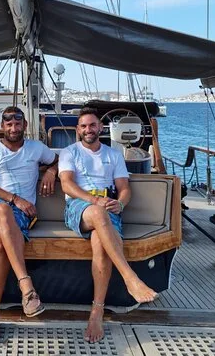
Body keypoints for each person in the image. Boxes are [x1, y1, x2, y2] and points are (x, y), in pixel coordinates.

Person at [58, 107, 157, 343]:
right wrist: (94, 200)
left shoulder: (113, 155)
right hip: (79, 207)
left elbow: (124, 188)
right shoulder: (69, 152)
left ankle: (96, 312)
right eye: (83, 126)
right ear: (78, 130)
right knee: (98, 213)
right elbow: (67, 185)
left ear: (100, 127)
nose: (88, 130)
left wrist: (120, 204)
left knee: (100, 245)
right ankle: (130, 278)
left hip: (108, 206)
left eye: (92, 125)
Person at [0, 106, 58, 342]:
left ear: (25, 125)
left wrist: (51, 171)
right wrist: (15, 199)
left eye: (17, 123)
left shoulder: (36, 148)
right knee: (2, 210)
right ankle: (26, 285)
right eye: (8, 124)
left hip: (20, 214)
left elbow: (59, 160)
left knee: (0, 238)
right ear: (2, 126)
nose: (13, 128)